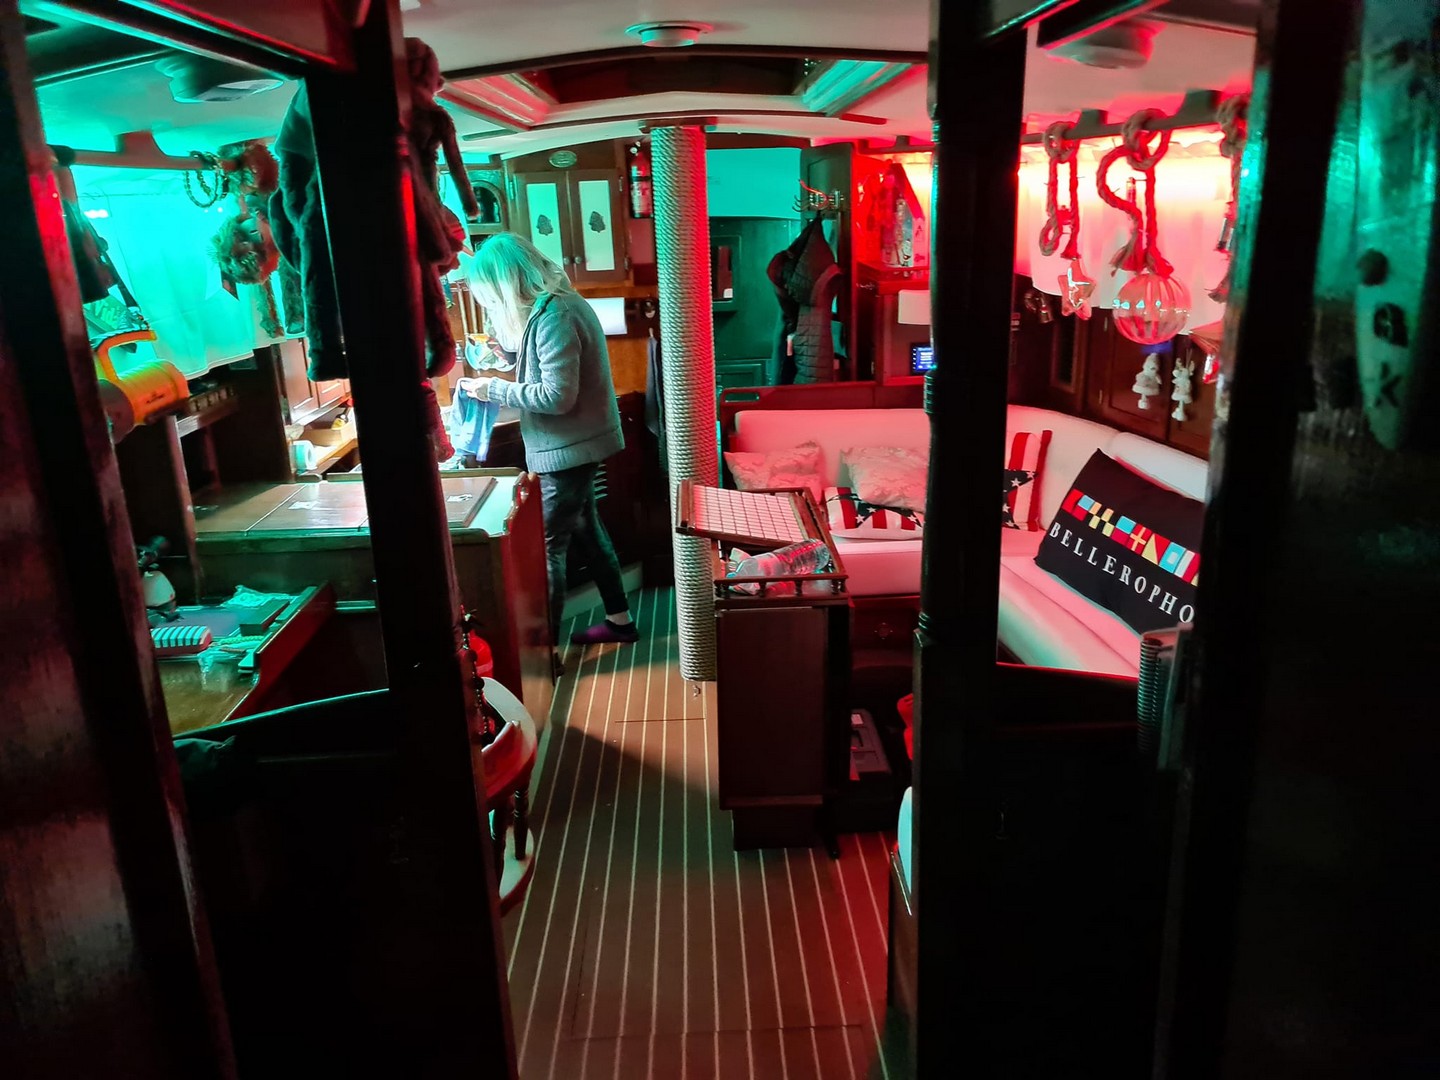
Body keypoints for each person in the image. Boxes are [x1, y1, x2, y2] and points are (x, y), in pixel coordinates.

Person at [466, 234, 638, 662]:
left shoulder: (555, 314)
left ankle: (547, 653)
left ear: (506, 282)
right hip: (577, 446)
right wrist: (506, 360)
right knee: (588, 531)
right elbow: (545, 369)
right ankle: (619, 621)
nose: (492, 305)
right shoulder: (553, 307)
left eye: (491, 296)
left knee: (548, 548)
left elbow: (556, 396)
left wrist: (491, 389)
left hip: (568, 451)